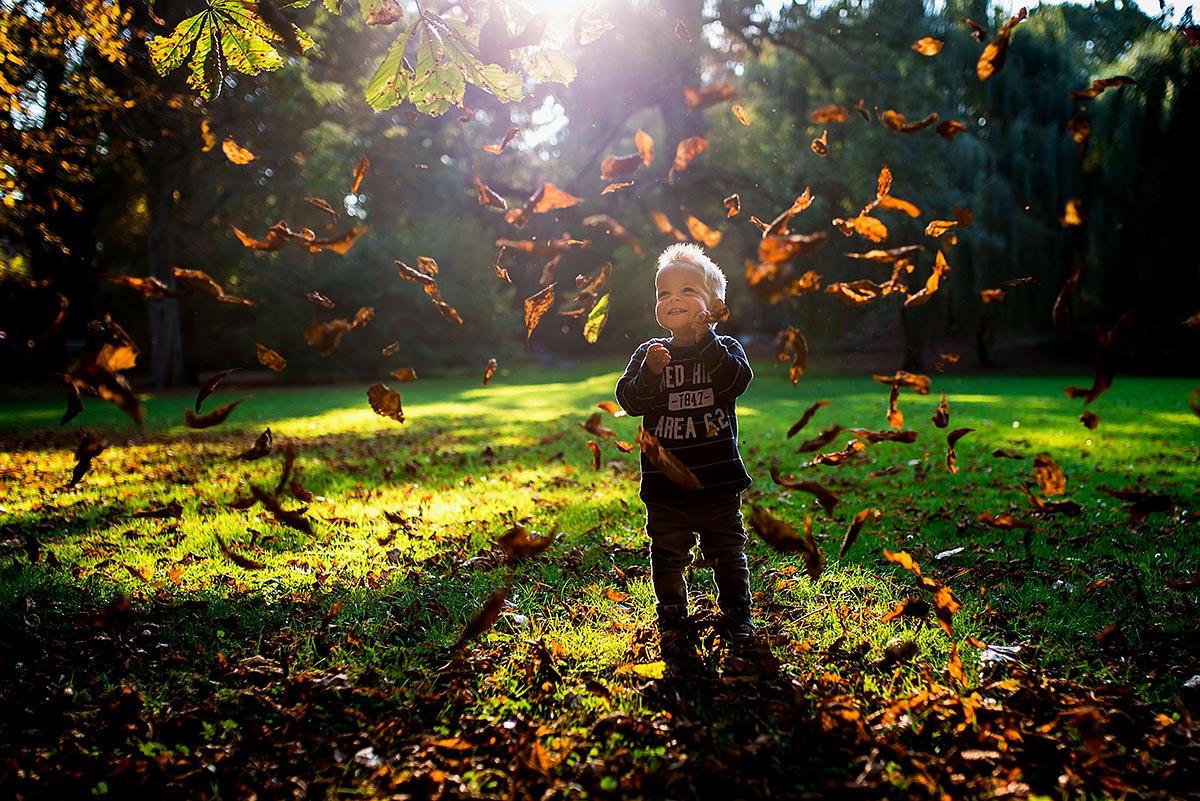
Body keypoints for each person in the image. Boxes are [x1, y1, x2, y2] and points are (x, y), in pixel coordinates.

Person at [614, 242, 755, 650]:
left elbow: (734, 382)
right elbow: (630, 400)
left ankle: (737, 613)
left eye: (688, 291)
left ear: (715, 306)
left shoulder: (725, 349)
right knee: (667, 553)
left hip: (717, 480)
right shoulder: (650, 354)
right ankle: (673, 615)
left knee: (727, 550)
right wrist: (651, 375)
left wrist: (706, 341)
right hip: (664, 484)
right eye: (664, 294)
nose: (674, 299)